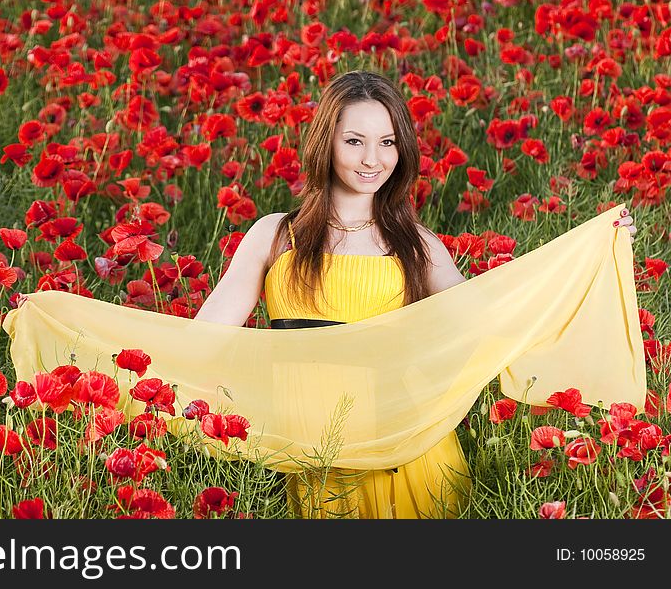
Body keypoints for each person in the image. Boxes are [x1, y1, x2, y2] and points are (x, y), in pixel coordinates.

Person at [191, 70, 637, 519]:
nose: (372, 159)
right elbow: (204, 338)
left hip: (402, 454)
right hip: (307, 454)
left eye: (387, 142)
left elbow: (486, 318)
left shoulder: (416, 245)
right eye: (354, 141)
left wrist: (587, 254)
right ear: (325, 142)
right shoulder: (276, 235)